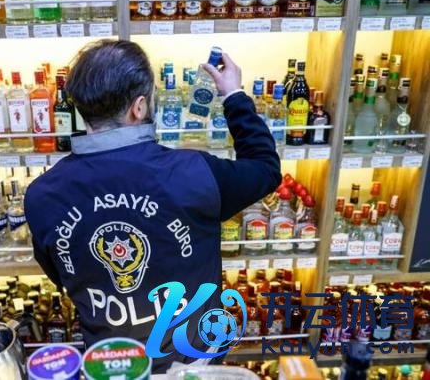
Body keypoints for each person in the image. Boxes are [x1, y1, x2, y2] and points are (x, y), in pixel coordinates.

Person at [24, 40, 281, 373]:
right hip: (195, 365)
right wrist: (233, 95)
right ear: (139, 107)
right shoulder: (194, 173)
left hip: (111, 366)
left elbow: (62, 272)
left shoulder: (42, 195)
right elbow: (265, 168)